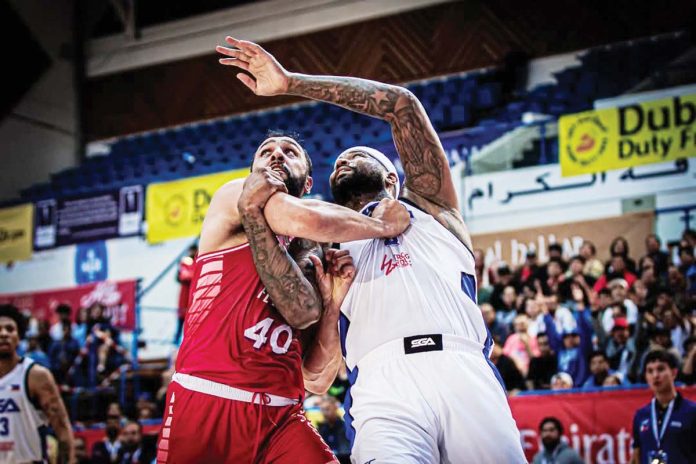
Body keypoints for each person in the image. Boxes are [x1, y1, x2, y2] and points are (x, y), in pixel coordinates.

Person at [217, 36, 526, 462]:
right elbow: (313, 377)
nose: (344, 159)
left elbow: (401, 104)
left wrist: (290, 82)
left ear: (394, 179)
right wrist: (329, 302)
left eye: (360, 154)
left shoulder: (432, 208)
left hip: (462, 365)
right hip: (382, 388)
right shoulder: (323, 247)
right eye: (339, 160)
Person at [156, 128, 410, 463]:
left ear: (306, 184)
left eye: (290, 151)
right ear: (251, 175)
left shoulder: (313, 256)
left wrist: (332, 305)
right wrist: (380, 226)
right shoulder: (233, 197)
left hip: (282, 418)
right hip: (207, 401)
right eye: (266, 151)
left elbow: (316, 379)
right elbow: (305, 216)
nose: (276, 154)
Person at [0, 304, 76, 463]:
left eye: (10, 329)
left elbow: (62, 430)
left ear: (19, 336)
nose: (4, 334)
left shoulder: (35, 375)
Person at [631, 350, 696, 464]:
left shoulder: (692, 412)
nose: (655, 375)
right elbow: (636, 457)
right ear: (646, 377)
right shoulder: (641, 415)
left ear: (674, 373)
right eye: (650, 371)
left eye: (660, 369)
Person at [173, 244, 197, 345]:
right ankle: (175, 345)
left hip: (194, 297)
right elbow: (179, 278)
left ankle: (192, 344)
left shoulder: (199, 261)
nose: (191, 253)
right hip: (184, 298)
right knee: (180, 323)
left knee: (194, 325)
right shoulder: (184, 263)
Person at [317, 396, 350, 462]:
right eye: (322, 409)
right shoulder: (320, 429)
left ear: (335, 407)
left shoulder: (345, 427)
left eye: (327, 409)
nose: (324, 413)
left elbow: (345, 452)